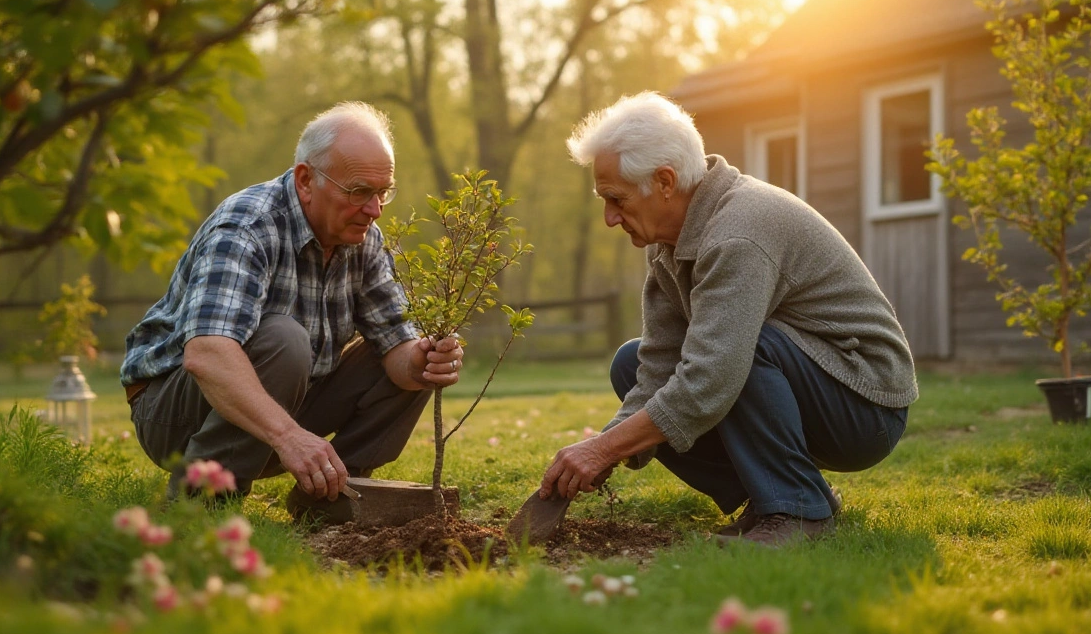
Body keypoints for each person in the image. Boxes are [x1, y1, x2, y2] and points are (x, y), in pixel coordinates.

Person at [537, 92, 917, 547]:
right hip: (809, 385)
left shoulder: (739, 230)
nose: (609, 217)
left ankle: (798, 511)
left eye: (616, 199)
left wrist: (603, 450)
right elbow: (660, 361)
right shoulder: (667, 243)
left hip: (865, 404)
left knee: (737, 350)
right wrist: (603, 451)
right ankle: (774, 495)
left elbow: (713, 376)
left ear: (663, 181)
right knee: (631, 361)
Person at [120, 102, 464, 504]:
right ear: (305, 180)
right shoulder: (246, 227)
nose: (375, 210)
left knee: (410, 348)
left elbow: (395, 344)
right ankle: (200, 504)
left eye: (382, 192)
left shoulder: (362, 235)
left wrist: (424, 362)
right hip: (174, 413)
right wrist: (289, 437)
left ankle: (332, 496)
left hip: (285, 406)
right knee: (284, 338)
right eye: (359, 192)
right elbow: (207, 355)